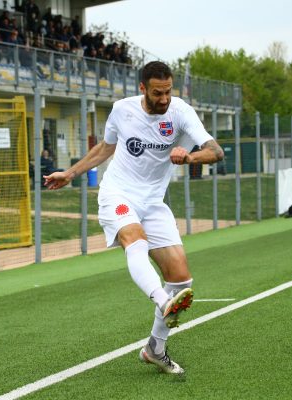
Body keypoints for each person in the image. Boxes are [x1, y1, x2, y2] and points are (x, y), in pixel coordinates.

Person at [44, 61, 224, 374]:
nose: (164, 98)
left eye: (168, 91)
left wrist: (190, 156)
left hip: (153, 202)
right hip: (118, 193)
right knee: (135, 241)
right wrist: (71, 173)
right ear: (143, 88)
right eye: (158, 93)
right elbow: (105, 148)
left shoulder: (180, 112)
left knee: (181, 279)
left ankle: (155, 348)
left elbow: (216, 151)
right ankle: (161, 300)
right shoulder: (122, 110)